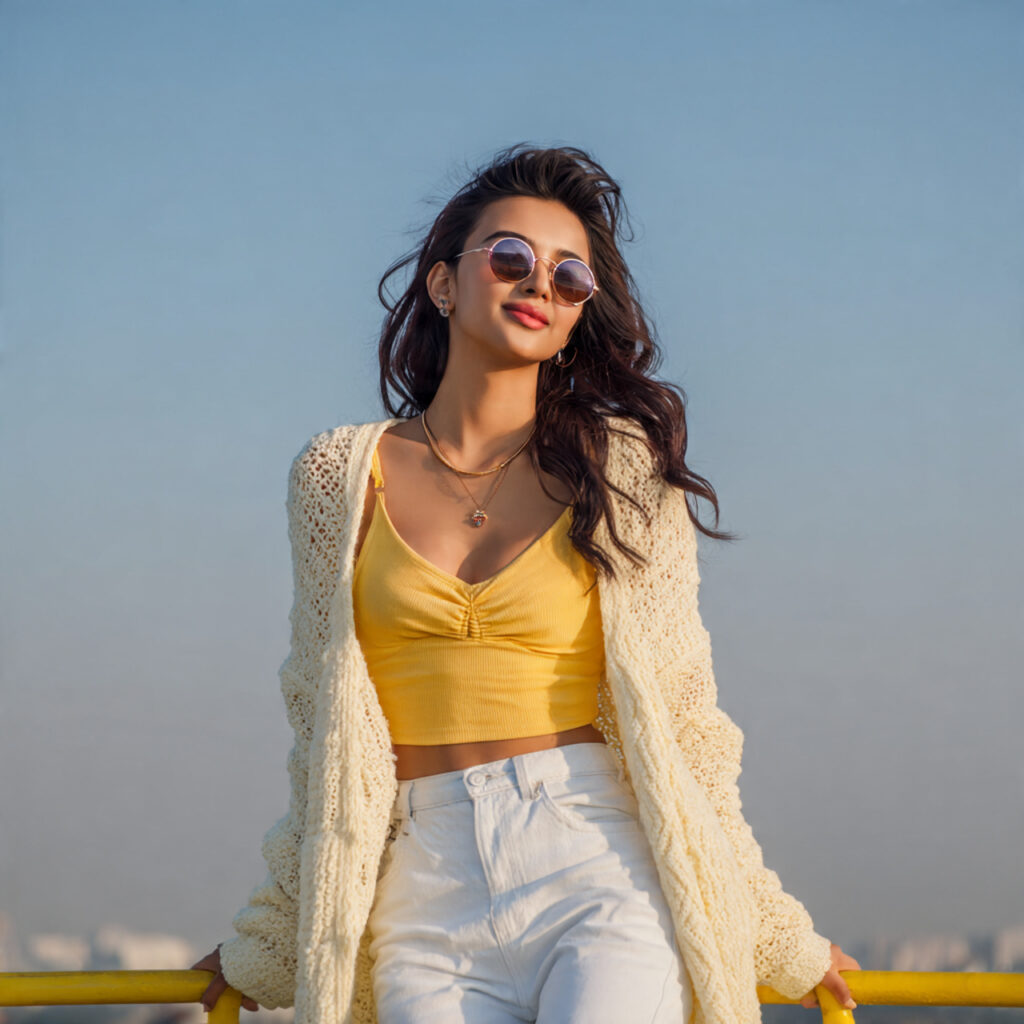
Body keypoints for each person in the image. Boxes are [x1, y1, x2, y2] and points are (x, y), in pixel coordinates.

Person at [191, 144, 860, 1023]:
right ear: (443, 285)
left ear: (582, 311)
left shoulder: (620, 467)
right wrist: (276, 928)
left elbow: (687, 719)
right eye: (510, 258)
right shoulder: (337, 475)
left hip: (598, 867)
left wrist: (775, 928)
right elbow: (319, 720)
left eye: (570, 276)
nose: (539, 284)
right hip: (421, 889)